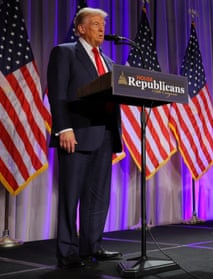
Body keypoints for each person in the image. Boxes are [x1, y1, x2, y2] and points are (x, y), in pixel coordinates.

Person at [47, 7, 123, 269]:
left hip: (103, 135)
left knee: (98, 195)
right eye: (94, 24)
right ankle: (67, 252)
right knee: (71, 195)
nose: (101, 29)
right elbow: (57, 94)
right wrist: (63, 129)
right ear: (80, 28)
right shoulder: (65, 52)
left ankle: (93, 245)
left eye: (102, 24)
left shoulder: (110, 62)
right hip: (76, 134)